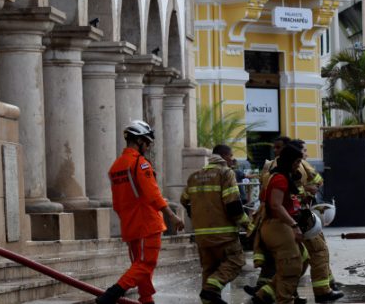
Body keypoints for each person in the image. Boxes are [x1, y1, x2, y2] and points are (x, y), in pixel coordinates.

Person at [96, 120, 185, 304]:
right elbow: (153, 194)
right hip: (147, 224)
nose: (148, 147)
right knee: (145, 265)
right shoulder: (140, 164)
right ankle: (112, 294)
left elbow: (117, 203)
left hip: (130, 226)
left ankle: (147, 300)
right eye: (147, 143)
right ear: (139, 141)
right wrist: (171, 215)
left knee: (140, 266)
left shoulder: (116, 167)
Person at [181, 144, 248, 304]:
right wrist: (247, 224)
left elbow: (184, 200)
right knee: (236, 261)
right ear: (224, 156)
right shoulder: (225, 173)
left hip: (202, 236)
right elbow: (232, 204)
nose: (233, 160)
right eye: (231, 156)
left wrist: (197, 218)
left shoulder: (194, 176)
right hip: (224, 235)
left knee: (209, 270)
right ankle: (210, 290)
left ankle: (209, 298)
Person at [250, 144, 306, 304]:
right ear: (289, 161)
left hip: (278, 226)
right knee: (291, 267)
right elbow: (276, 205)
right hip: (278, 227)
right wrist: (294, 225)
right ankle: (284, 299)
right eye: (296, 162)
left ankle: (265, 294)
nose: (298, 166)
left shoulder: (279, 176)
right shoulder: (280, 178)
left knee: (302, 258)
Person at [289, 140, 343, 303]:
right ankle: (322, 291)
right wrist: (307, 191)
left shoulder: (278, 167)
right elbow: (292, 194)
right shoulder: (296, 167)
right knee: (317, 252)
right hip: (299, 217)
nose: (307, 154)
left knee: (308, 254)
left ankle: (329, 283)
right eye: (304, 151)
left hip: (294, 217)